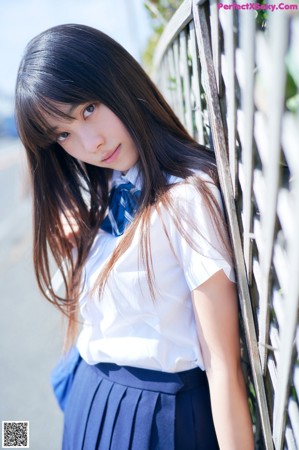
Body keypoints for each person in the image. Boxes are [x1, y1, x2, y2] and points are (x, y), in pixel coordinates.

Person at [15, 24, 254, 450]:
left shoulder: (188, 197)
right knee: (12, 438)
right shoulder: (109, 186)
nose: (91, 142)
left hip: (156, 420)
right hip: (89, 403)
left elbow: (222, 366)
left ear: (119, 81)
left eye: (88, 108)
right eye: (63, 134)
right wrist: (83, 240)